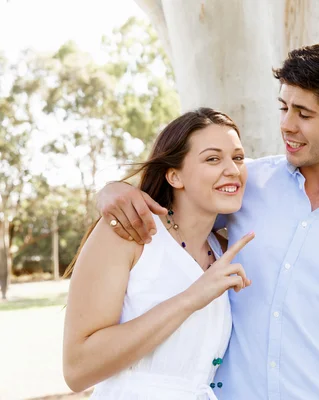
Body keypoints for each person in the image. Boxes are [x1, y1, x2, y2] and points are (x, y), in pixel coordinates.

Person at [98, 39, 319, 399]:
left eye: (304, 114)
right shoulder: (245, 184)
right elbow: (172, 193)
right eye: (284, 107)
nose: (286, 125)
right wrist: (111, 191)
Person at [63, 108, 255, 400]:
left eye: (238, 158)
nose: (232, 169)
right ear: (175, 176)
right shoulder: (128, 234)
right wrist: (191, 298)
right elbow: (77, 370)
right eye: (213, 158)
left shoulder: (223, 251)